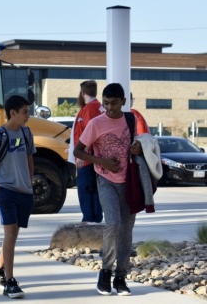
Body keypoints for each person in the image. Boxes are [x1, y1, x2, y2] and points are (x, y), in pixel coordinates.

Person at [73, 83, 142, 296]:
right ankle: (105, 272)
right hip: (106, 181)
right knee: (112, 224)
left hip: (129, 182)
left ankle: (121, 277)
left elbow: (141, 146)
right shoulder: (96, 123)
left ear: (123, 101)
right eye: (106, 103)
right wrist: (101, 160)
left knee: (126, 230)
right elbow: (78, 151)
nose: (109, 108)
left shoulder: (131, 120)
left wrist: (137, 148)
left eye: (114, 103)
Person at [0, 95, 35, 299]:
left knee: (12, 236)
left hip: (24, 192)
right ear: (13, 113)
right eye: (25, 112)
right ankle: (10, 282)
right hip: (7, 191)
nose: (28, 116)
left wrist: (29, 182)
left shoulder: (27, 133)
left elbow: (29, 159)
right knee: (10, 234)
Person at [73, 80, 104, 223]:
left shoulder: (90, 109)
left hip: (87, 159)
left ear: (82, 92)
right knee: (92, 191)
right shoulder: (96, 107)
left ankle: (90, 221)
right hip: (90, 157)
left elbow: (89, 133)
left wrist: (81, 155)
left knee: (87, 190)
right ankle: (93, 219)